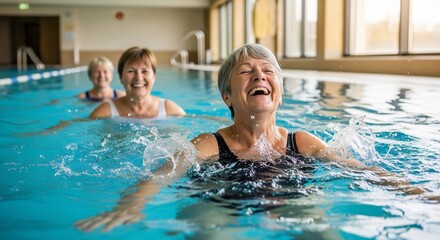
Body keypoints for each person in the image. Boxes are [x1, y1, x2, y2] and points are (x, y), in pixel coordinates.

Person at [76, 44, 437, 232]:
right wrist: (133, 203)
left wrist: (415, 191)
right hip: (218, 202)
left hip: (290, 197)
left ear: (278, 92)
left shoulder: (302, 141)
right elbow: (164, 170)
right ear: (227, 97)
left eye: (267, 71)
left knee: (321, 232)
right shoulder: (208, 144)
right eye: (246, 72)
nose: (258, 76)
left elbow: (358, 169)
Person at [89, 47, 185, 119]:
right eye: (131, 71)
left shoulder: (170, 110)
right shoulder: (105, 111)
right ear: (120, 77)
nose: (139, 77)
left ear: (154, 77)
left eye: (145, 71)